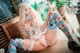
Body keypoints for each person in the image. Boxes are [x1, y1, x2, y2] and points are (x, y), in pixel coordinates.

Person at [8, 3, 80, 53]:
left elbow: (42, 28)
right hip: (36, 43)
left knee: (53, 13)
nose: (29, 10)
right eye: (26, 10)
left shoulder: (35, 17)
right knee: (13, 41)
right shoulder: (23, 23)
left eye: (29, 8)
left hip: (47, 37)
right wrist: (28, 27)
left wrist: (47, 17)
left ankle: (71, 41)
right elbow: (27, 34)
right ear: (22, 13)